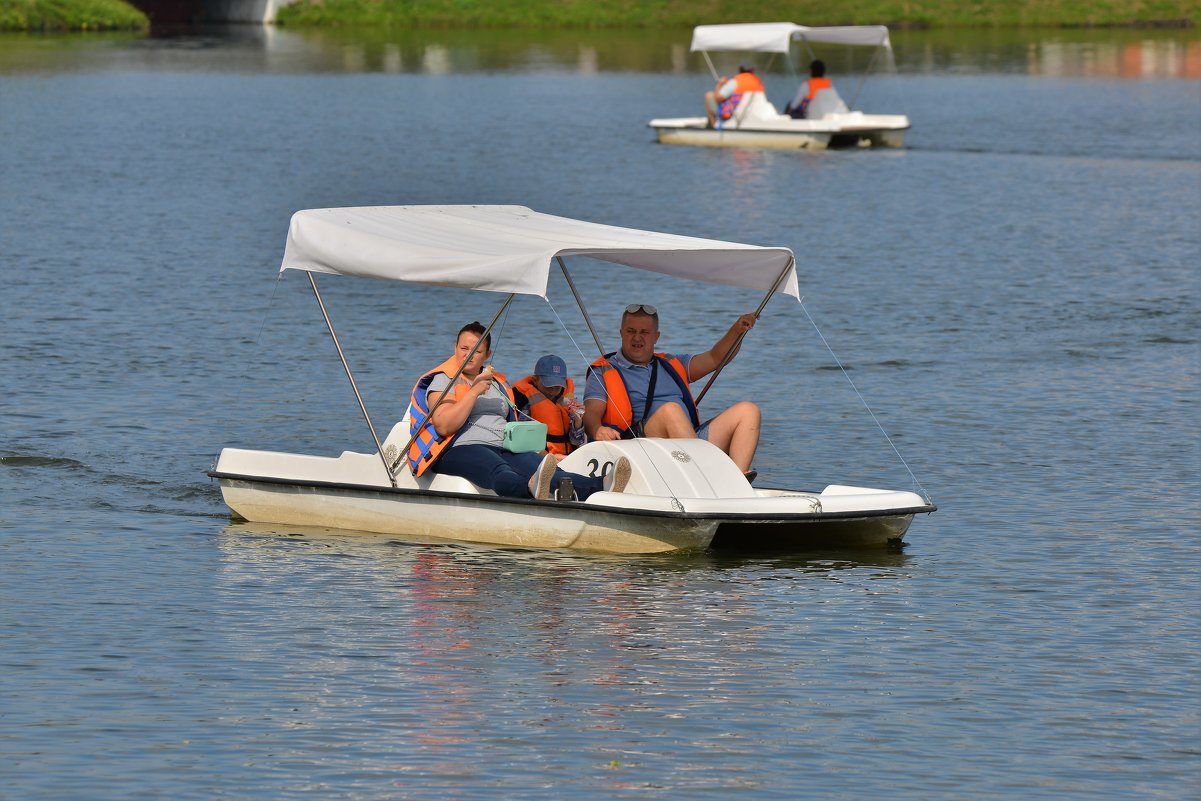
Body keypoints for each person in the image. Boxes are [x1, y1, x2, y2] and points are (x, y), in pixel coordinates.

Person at [407, 322, 630, 501]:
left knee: (546, 469)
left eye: (476, 350)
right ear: (455, 349)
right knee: (499, 470)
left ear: (487, 354)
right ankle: (530, 487)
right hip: (458, 448)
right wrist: (473, 392)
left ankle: (601, 485)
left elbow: (514, 428)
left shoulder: (498, 385)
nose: (469, 355)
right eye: (464, 349)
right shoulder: (443, 381)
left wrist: (543, 454)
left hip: (504, 446)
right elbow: (444, 425)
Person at [582, 304, 761, 480]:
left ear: (656, 337)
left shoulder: (672, 363)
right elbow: (591, 414)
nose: (637, 338)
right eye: (631, 331)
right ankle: (704, 477)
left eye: (644, 332)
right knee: (671, 410)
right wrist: (597, 429)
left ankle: (737, 480)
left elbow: (715, 358)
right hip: (643, 449)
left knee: (748, 410)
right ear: (621, 333)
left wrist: (737, 330)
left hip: (689, 441)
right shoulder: (602, 371)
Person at [512, 354, 586, 457]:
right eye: (548, 385)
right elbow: (521, 438)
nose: (553, 389)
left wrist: (578, 422)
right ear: (536, 380)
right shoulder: (525, 401)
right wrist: (548, 458)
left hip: (567, 458)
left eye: (557, 385)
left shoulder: (568, 399)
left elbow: (577, 441)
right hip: (539, 458)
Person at [704, 62, 766, 128]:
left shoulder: (735, 82)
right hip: (754, 112)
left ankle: (713, 127)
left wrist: (719, 84)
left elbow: (718, 98)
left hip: (734, 114)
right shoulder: (758, 82)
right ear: (753, 71)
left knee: (709, 95)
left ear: (740, 71)